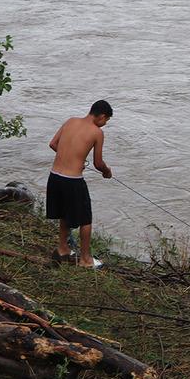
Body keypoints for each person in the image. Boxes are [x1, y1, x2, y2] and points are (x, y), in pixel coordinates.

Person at [46, 100, 113, 268]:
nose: (104, 125)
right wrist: (107, 171)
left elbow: (53, 144)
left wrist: (71, 158)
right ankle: (85, 259)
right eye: (106, 121)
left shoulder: (71, 121)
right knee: (85, 219)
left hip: (54, 177)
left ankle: (63, 249)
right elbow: (98, 163)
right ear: (102, 116)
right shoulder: (96, 132)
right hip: (73, 181)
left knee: (63, 214)